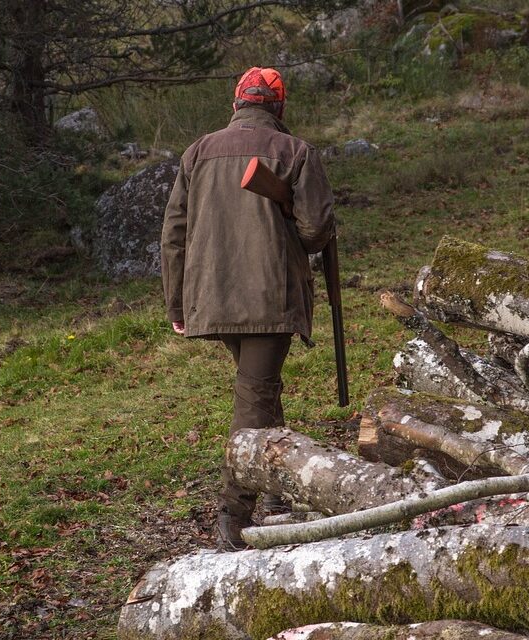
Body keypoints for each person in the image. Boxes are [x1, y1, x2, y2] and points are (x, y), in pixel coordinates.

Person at [160, 67, 336, 550]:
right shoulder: (296, 151)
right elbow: (315, 230)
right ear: (278, 107)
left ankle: (275, 491)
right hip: (267, 296)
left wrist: (178, 303)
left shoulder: (197, 151)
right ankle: (232, 518)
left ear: (236, 103)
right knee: (254, 402)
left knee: (259, 389)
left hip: (211, 298)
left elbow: (174, 232)